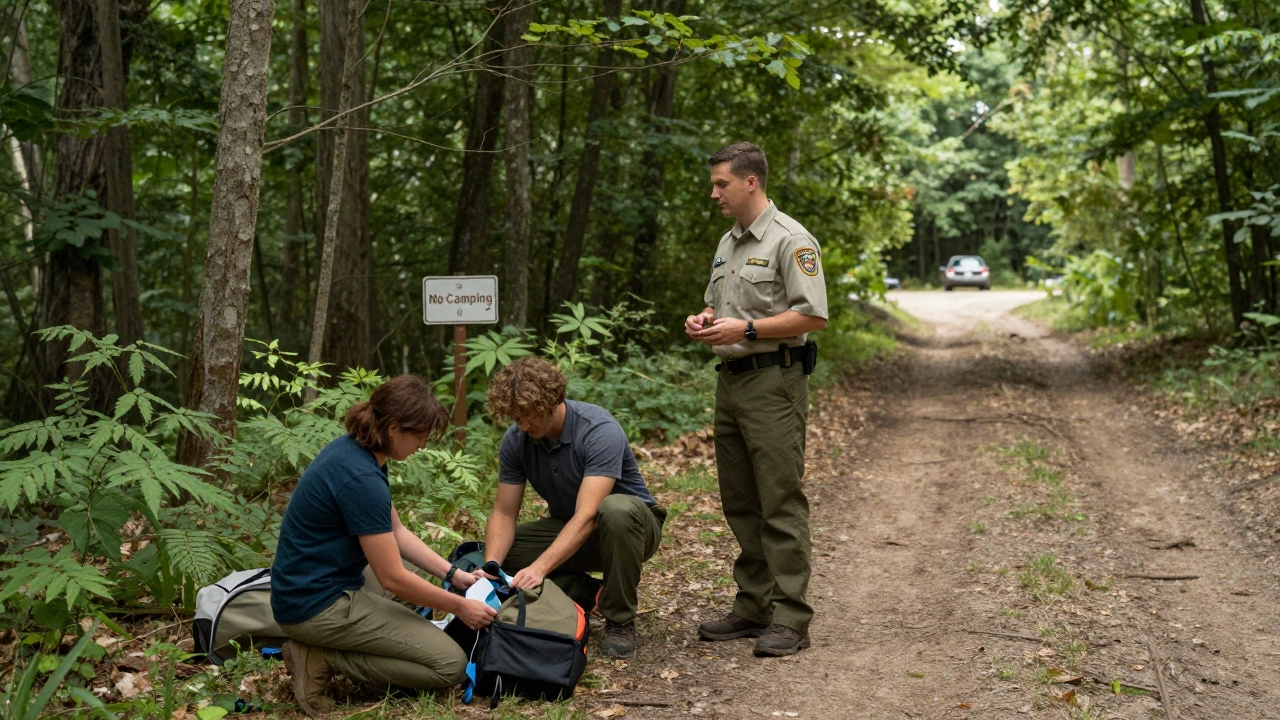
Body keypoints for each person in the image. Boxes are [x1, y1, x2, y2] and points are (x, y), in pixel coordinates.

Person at [271, 375, 497, 717]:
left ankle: (342, 640)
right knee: (449, 665)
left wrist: (454, 575)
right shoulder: (361, 479)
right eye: (419, 435)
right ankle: (320, 654)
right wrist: (460, 606)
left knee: (419, 569)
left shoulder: (357, 451)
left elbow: (396, 531)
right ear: (394, 428)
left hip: (314, 585)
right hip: (315, 606)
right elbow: (392, 578)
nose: (422, 445)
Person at [684, 141, 828, 657]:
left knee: (779, 500)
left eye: (722, 183)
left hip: (775, 383)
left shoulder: (792, 241)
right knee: (741, 500)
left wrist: (746, 327)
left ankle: (791, 617)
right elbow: (722, 300)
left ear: (751, 182)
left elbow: (812, 316)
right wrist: (704, 318)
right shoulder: (728, 243)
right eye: (714, 183)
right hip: (732, 381)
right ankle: (753, 606)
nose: (715, 193)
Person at [481, 357, 665, 659]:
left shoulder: (598, 429)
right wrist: (491, 567)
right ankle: (588, 591)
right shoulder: (517, 440)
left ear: (554, 400)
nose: (524, 425)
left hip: (630, 529)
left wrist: (540, 568)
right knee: (493, 553)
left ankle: (619, 619)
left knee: (615, 509)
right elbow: (503, 513)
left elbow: (589, 514)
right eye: (516, 418)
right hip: (572, 529)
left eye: (529, 415)